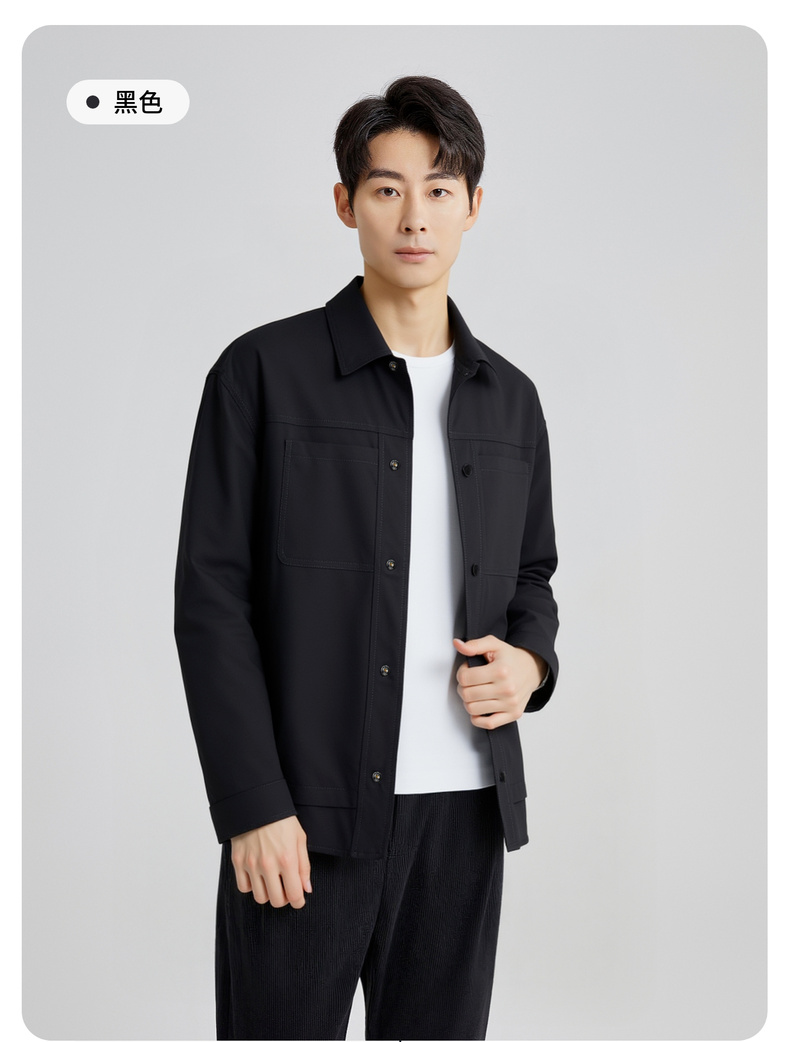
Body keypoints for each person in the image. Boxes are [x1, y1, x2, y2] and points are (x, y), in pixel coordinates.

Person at [174, 74, 560, 1041]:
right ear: (346, 203)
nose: (414, 216)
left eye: (439, 188)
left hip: (464, 814)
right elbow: (211, 600)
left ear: (474, 205)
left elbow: (531, 578)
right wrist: (252, 805)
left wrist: (530, 663)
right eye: (388, 189)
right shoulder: (261, 373)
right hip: (305, 817)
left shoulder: (511, 399)